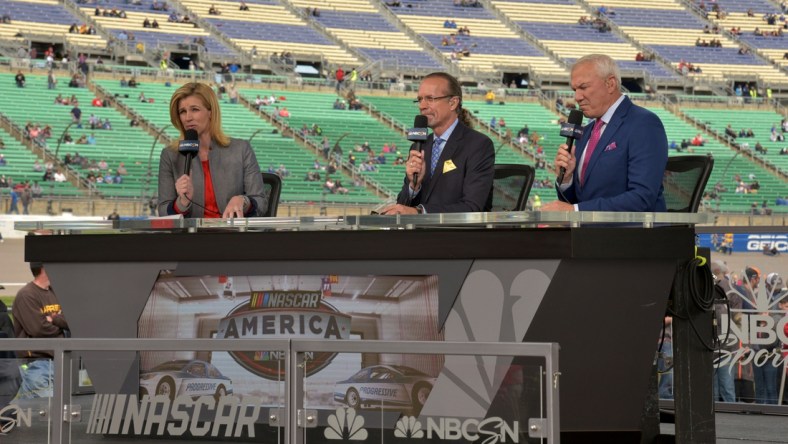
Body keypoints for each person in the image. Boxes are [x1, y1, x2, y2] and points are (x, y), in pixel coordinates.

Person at [544, 54, 667, 212]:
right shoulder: (585, 132)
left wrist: (575, 211)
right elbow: (579, 201)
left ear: (610, 84)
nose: (577, 97)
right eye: (575, 90)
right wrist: (567, 180)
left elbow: (642, 198)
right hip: (589, 234)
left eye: (583, 87)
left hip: (633, 234)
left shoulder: (644, 123)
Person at [380, 72, 495, 215]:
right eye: (420, 99)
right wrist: (413, 186)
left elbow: (472, 207)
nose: (422, 106)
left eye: (430, 98)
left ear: (453, 103)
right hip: (420, 234)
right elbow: (404, 207)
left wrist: (420, 212)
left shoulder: (478, 145)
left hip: (456, 234)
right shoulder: (421, 146)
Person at [158, 82, 267, 218]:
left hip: (232, 236)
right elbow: (163, 212)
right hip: (191, 237)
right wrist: (182, 202)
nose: (188, 117)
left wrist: (243, 201)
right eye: (182, 112)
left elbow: (261, 203)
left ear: (210, 112)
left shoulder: (241, 150)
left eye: (195, 109)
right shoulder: (170, 156)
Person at [13, 262, 69, 399]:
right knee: (48, 413)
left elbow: (72, 321)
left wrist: (54, 319)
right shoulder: (26, 295)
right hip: (37, 363)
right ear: (44, 268)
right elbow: (39, 328)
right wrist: (61, 324)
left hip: (60, 361)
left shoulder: (55, 292)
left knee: (51, 412)